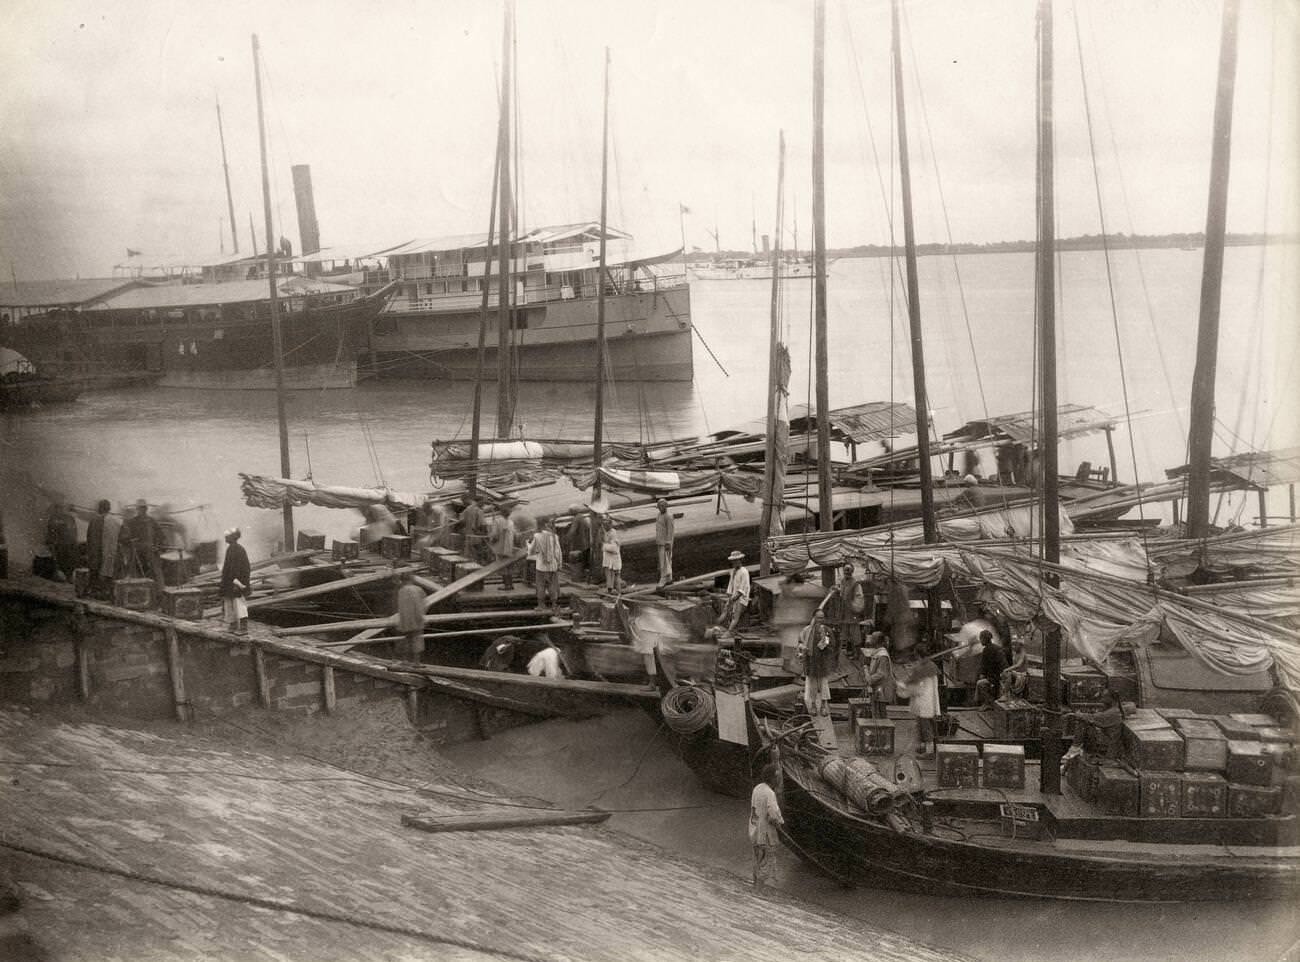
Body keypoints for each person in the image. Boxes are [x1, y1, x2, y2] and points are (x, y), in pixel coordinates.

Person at [748, 763, 784, 892]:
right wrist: (779, 824)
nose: (779, 779)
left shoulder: (757, 788)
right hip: (765, 834)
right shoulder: (770, 793)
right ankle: (758, 890)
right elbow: (773, 814)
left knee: (757, 859)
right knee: (766, 861)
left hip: (754, 830)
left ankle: (755, 886)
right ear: (773, 778)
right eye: (778, 776)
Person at [799, 608, 835, 716]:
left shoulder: (827, 630)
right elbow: (800, 643)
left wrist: (825, 642)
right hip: (811, 661)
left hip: (823, 661)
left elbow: (831, 646)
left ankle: (824, 705)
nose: (821, 620)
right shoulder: (807, 630)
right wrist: (802, 648)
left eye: (822, 617)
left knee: (823, 684)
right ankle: (813, 705)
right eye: (818, 617)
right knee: (812, 684)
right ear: (814, 618)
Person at [120, 499, 163, 584]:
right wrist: (130, 542)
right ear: (137, 509)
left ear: (146, 509)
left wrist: (157, 546)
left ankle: (158, 593)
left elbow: (161, 536)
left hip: (150, 553)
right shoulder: (131, 522)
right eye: (140, 508)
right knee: (136, 575)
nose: (142, 510)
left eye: (144, 508)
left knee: (154, 574)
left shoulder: (152, 521)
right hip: (136, 554)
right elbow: (123, 538)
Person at [219, 528, 251, 635]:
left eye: (227, 537)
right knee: (229, 604)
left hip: (237, 581)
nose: (225, 538)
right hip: (229, 581)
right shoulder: (230, 549)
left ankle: (243, 627)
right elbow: (227, 567)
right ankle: (232, 624)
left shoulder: (239, 549)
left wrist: (238, 582)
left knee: (239, 604)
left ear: (232, 538)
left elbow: (244, 568)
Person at [85, 499, 120, 596]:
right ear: (109, 508)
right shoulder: (115, 521)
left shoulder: (94, 520)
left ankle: (93, 591)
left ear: (100, 508)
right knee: (107, 572)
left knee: (94, 571)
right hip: (108, 551)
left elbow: (89, 537)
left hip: (95, 551)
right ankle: (105, 593)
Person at [531, 518, 563, 610]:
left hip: (541, 566)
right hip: (552, 565)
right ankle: (554, 605)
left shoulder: (537, 536)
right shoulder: (555, 536)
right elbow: (558, 551)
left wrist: (529, 546)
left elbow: (531, 550)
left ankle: (541, 605)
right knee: (553, 585)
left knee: (540, 585)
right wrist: (559, 563)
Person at [862, 630, 894, 719]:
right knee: (876, 711)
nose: (870, 639)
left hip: (881, 688)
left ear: (877, 641)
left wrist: (869, 679)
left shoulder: (882, 655)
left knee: (880, 713)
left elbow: (881, 673)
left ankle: (882, 731)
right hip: (876, 687)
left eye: (872, 638)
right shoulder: (877, 652)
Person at [395, 569, 426, 660]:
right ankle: (417, 663)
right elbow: (422, 604)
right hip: (416, 619)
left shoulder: (401, 590)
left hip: (405, 620)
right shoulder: (418, 589)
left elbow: (400, 606)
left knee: (406, 640)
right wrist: (421, 617)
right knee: (417, 641)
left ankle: (405, 661)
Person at [836, 561, 867, 648]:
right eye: (845, 570)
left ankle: (856, 652)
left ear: (852, 571)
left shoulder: (856, 583)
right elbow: (842, 593)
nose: (847, 572)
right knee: (844, 633)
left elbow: (859, 598)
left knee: (854, 633)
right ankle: (844, 652)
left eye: (848, 570)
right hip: (844, 612)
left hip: (852, 612)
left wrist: (853, 607)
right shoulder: (842, 581)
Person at [44, 502, 78, 581]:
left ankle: (65, 576)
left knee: (63, 561)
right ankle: (66, 576)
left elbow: (51, 532)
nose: (59, 510)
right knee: (64, 561)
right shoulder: (68, 518)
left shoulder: (57, 518)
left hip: (63, 544)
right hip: (64, 544)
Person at [486, 505, 517, 591]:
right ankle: (510, 584)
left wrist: (490, 540)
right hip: (509, 547)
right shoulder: (511, 522)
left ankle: (506, 585)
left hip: (501, 547)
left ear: (501, 513)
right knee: (509, 566)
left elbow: (495, 535)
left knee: (502, 566)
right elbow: (514, 534)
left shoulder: (497, 521)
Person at [718, 550, 750, 631]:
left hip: (741, 597)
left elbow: (743, 588)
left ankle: (728, 632)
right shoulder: (733, 571)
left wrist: (733, 599)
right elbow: (730, 584)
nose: (735, 562)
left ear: (740, 560)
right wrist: (729, 596)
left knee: (735, 615)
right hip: (733, 596)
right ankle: (716, 626)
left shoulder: (744, 572)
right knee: (725, 610)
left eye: (736, 560)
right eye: (733, 561)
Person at [975, 629, 1008, 706]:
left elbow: (984, 666)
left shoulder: (987, 650)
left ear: (984, 639)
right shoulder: (997, 648)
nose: (980, 641)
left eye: (981, 639)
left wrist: (982, 675)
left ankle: (987, 703)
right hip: (1001, 675)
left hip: (995, 677)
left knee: (979, 683)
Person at [563, 503, 593, 583]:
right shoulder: (582, 517)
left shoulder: (576, 518)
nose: (569, 512)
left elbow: (572, 531)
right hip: (586, 543)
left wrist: (567, 539)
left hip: (580, 544)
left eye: (570, 511)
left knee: (579, 561)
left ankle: (579, 577)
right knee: (586, 560)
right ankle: (586, 577)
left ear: (573, 511)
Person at [458, 497, 486, 563]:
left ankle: (468, 561)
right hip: (475, 533)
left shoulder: (468, 508)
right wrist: (483, 532)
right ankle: (479, 562)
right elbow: (482, 524)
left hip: (468, 532)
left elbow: (461, 520)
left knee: (468, 549)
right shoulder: (479, 511)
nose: (484, 505)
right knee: (478, 548)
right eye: (483, 503)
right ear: (479, 502)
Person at [654, 498, 675, 586]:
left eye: (663, 506)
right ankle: (669, 578)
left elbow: (670, 531)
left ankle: (663, 579)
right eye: (659, 506)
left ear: (666, 506)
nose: (661, 508)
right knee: (664, 561)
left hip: (665, 543)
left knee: (664, 562)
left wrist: (668, 542)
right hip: (660, 541)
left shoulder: (668, 516)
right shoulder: (659, 515)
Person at [600, 517, 622, 593]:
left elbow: (614, 548)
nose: (604, 527)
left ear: (610, 525)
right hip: (608, 560)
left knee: (616, 577)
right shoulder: (606, 533)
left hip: (614, 560)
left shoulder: (613, 533)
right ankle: (610, 591)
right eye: (604, 525)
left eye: (606, 525)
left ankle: (619, 593)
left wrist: (604, 546)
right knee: (609, 578)